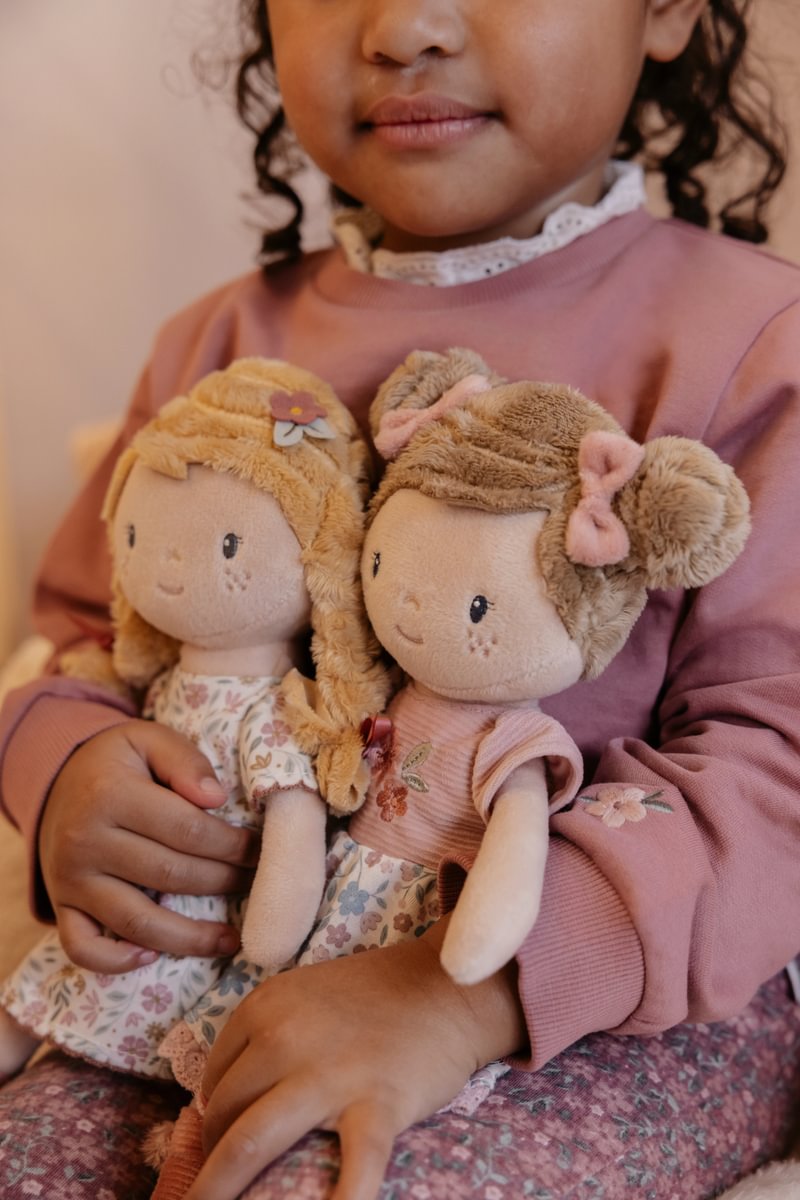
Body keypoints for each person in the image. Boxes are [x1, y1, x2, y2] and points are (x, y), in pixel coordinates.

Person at [1, 2, 799, 1198]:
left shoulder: (758, 345)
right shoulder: (216, 345)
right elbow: (81, 638)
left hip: (614, 1010)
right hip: (212, 975)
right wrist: (67, 769)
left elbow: (776, 767)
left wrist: (456, 992)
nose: (404, 26)